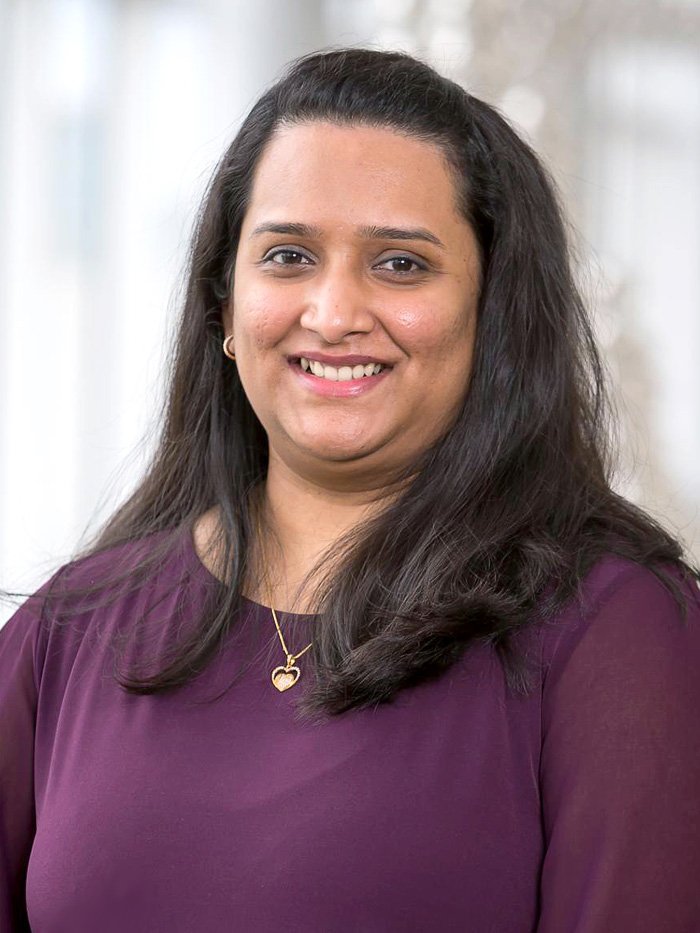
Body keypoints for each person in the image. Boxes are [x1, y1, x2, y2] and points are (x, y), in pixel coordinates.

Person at [1, 47, 699, 933]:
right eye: (289, 255)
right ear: (223, 305)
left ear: (492, 314)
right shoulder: (70, 630)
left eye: (401, 265)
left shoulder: (615, 631)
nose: (332, 314)